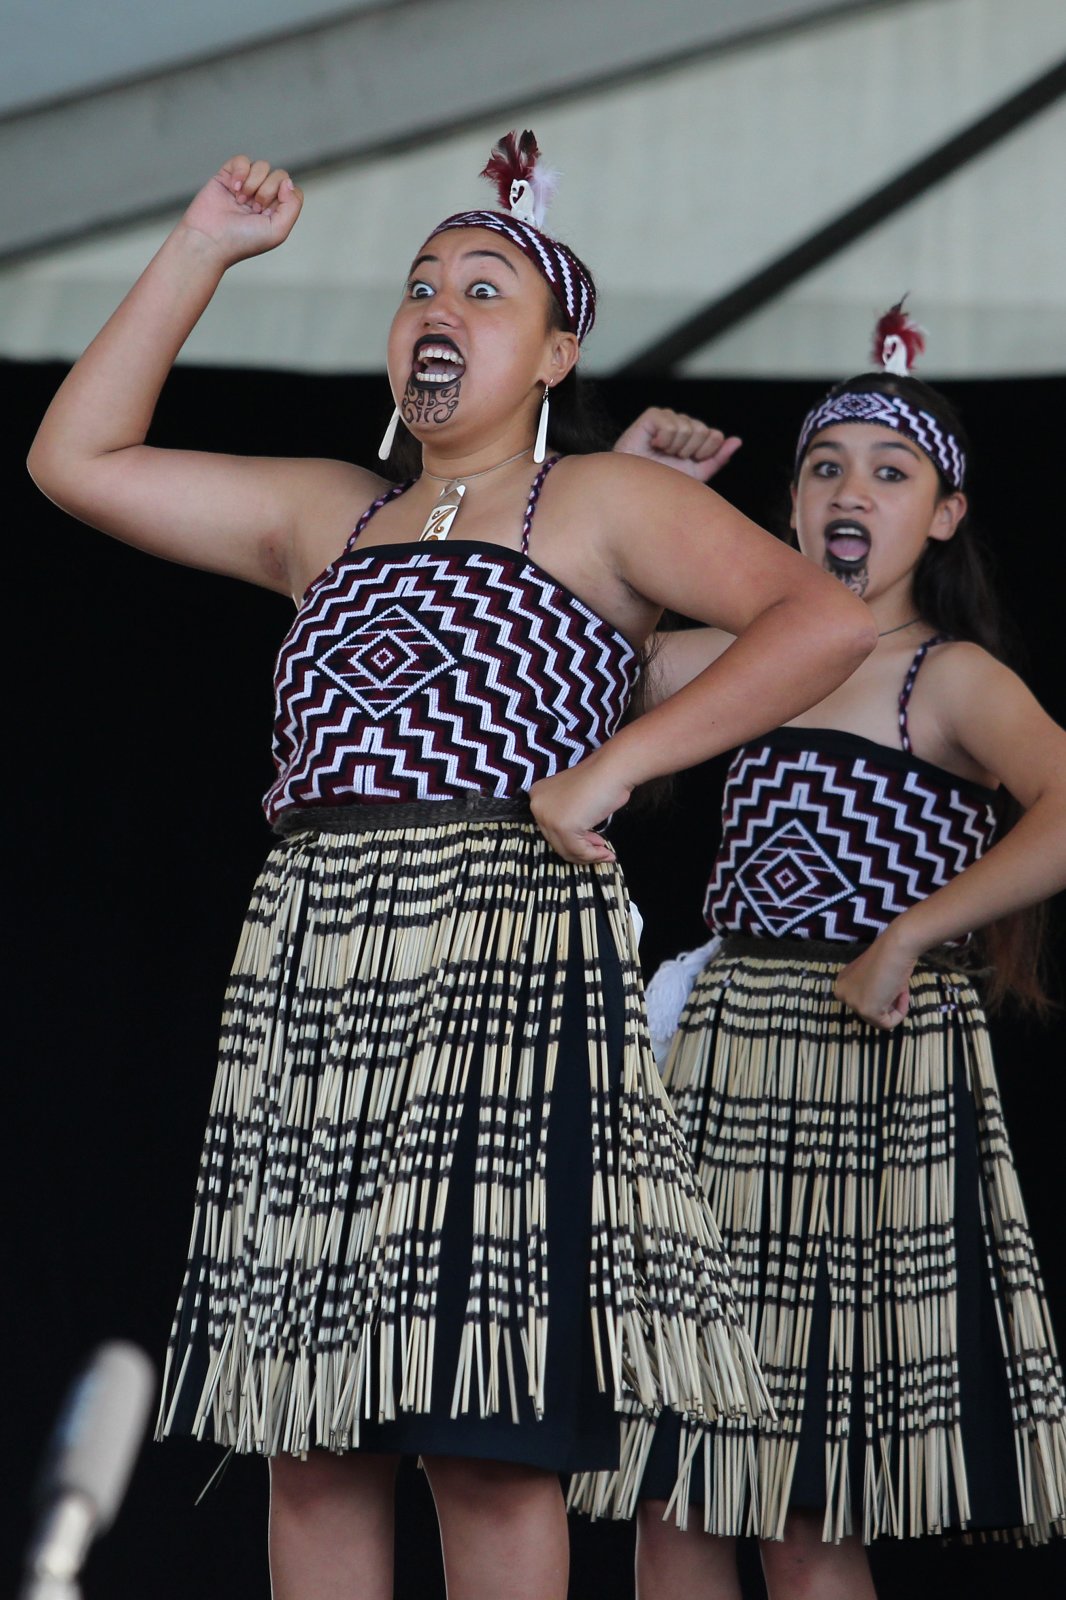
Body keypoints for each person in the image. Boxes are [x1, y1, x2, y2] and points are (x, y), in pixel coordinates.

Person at [26, 134, 875, 1600]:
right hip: (320, 971)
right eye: (419, 285)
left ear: (554, 355)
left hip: (505, 972)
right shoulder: (326, 515)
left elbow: (824, 623)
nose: (438, 307)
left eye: (484, 291)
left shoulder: (600, 501)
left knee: (486, 1442)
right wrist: (203, 246)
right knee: (314, 1442)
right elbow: (73, 460)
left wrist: (616, 763)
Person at [571, 309, 1066, 1596]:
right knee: (674, 1488)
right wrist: (629, 497)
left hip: (866, 1080)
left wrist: (911, 931)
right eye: (825, 468)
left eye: (889, 473)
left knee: (806, 1507)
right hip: (723, 1066)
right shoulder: (746, 659)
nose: (850, 492)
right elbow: (572, 654)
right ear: (788, 506)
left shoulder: (945, 680)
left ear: (944, 516)